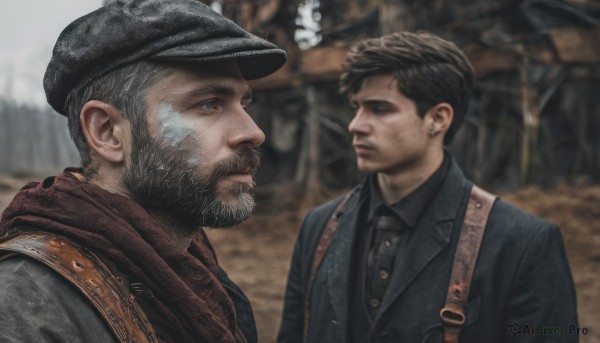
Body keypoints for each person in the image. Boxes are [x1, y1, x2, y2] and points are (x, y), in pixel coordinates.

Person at [0, 0, 286, 342]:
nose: (253, 132)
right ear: (107, 132)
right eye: (209, 103)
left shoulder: (194, 270)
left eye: (244, 104)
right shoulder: (26, 308)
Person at [277, 31, 578, 343]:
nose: (356, 124)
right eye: (357, 107)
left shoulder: (524, 242)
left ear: (438, 118)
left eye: (380, 109)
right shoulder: (319, 227)